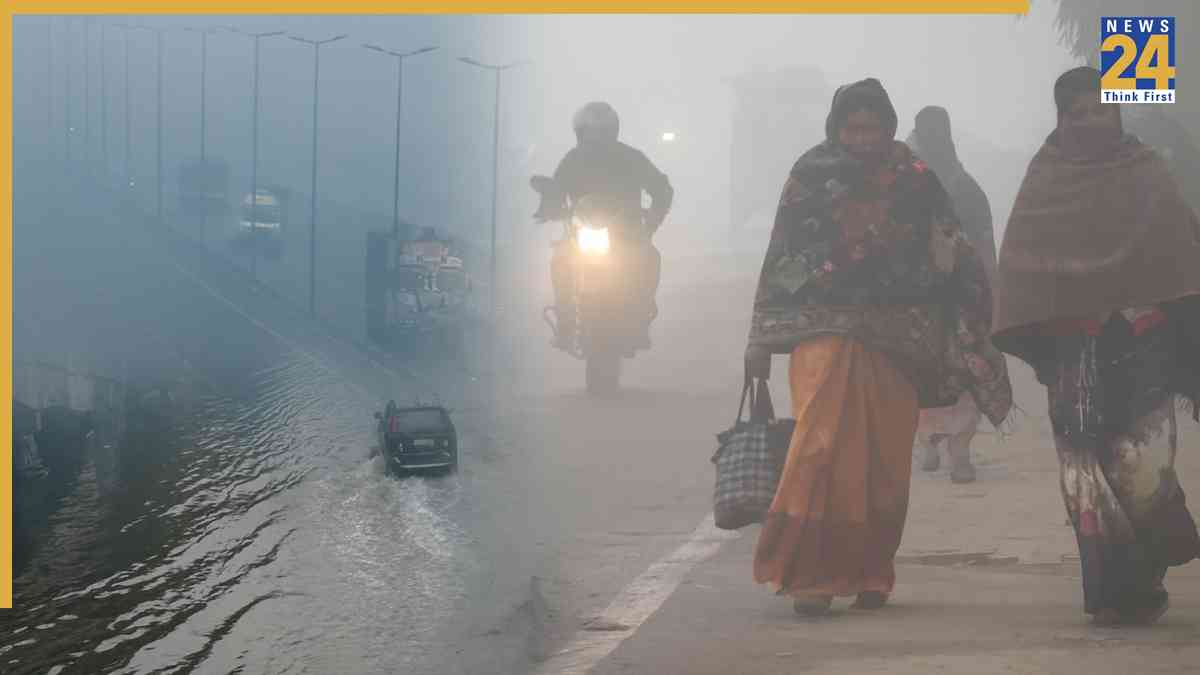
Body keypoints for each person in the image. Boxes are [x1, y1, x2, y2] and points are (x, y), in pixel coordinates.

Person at [745, 78, 1012, 616]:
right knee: (818, 445)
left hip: (898, 341)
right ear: (836, 127)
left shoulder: (915, 179)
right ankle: (810, 577)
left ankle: (870, 572)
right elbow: (782, 253)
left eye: (871, 127)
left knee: (884, 464)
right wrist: (758, 338)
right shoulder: (810, 175)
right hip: (823, 337)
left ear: (889, 127)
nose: (861, 138)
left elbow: (952, 248)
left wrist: (974, 317)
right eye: (852, 127)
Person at [991, 66, 1200, 626]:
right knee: (1087, 479)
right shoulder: (1045, 179)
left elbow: (1183, 254)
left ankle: (1148, 569)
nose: (1089, 121)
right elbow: (1021, 263)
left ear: (1120, 112)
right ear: (1060, 119)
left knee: (1142, 471)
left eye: (1101, 110)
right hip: (1075, 358)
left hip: (1143, 352)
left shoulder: (1148, 171)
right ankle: (1112, 593)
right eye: (1076, 112)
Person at [906, 105, 999, 483]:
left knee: (941, 372)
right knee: (949, 374)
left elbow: (983, 244)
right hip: (937, 302)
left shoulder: (918, 182)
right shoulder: (957, 184)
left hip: (943, 302)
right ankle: (946, 447)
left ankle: (946, 448)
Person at [540, 101, 674, 348]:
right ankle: (566, 322)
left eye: (602, 131)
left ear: (613, 131)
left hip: (627, 235)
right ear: (581, 132)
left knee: (650, 258)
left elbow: (662, 188)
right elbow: (556, 190)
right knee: (560, 260)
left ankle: (640, 319)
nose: (597, 137)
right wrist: (549, 207)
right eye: (591, 131)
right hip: (581, 234)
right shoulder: (573, 159)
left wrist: (651, 223)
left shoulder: (632, 158)